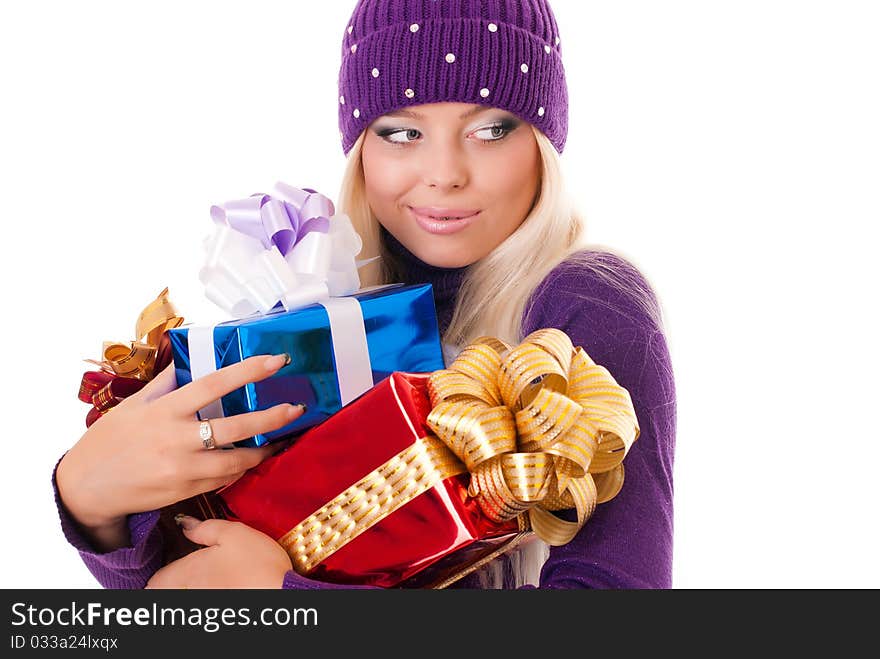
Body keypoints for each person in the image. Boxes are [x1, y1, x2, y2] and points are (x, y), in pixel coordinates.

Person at [54, 0, 677, 590]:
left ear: (544, 143)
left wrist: (281, 587)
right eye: (401, 133)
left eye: (491, 129)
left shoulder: (585, 300)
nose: (444, 172)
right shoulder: (324, 302)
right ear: (360, 148)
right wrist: (94, 504)